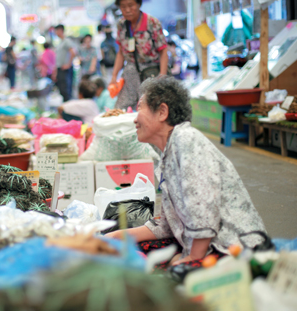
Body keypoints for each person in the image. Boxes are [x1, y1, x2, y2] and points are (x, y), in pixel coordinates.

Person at [106, 77, 267, 269]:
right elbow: (165, 226)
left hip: (235, 249)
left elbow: (204, 209)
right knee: (126, 250)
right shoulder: (168, 152)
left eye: (140, 108)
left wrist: (191, 259)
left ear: (162, 112)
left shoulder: (187, 140)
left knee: (161, 271)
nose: (135, 118)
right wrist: (115, 236)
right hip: (204, 245)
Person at [110, 0, 168, 111]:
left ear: (139, 4)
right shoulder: (121, 24)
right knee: (121, 108)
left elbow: (163, 51)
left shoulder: (152, 22)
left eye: (131, 5)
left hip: (151, 72)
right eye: (123, 7)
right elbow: (121, 53)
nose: (127, 10)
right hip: (131, 73)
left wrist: (162, 75)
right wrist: (114, 76)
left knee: (151, 109)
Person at [52, 24, 76, 102]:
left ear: (60, 31)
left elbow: (73, 52)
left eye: (56, 30)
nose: (55, 32)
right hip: (60, 69)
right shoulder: (60, 42)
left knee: (66, 91)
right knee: (62, 90)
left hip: (65, 70)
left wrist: (68, 64)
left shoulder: (67, 41)